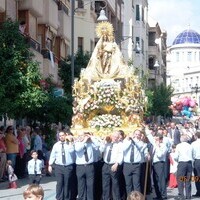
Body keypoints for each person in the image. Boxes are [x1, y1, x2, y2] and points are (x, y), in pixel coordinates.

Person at [48, 131, 76, 200]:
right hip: (59, 167)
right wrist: (50, 165)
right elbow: (52, 155)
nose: (61, 137)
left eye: (63, 135)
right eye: (60, 136)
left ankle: (67, 198)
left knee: (67, 184)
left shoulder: (70, 144)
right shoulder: (56, 145)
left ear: (65, 135)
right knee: (59, 183)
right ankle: (59, 198)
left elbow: (72, 151)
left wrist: (70, 142)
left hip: (68, 166)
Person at [75, 132, 100, 200]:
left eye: (82, 136)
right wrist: (84, 141)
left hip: (89, 166)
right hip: (80, 166)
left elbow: (98, 146)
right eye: (79, 136)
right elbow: (77, 149)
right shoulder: (77, 143)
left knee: (90, 185)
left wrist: (91, 138)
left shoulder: (90, 143)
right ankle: (81, 198)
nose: (80, 137)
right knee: (81, 186)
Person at [123, 129, 148, 195]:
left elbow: (141, 149)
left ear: (140, 136)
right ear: (133, 134)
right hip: (127, 165)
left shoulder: (142, 143)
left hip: (136, 165)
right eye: (136, 134)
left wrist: (134, 141)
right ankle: (130, 198)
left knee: (136, 184)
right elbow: (124, 148)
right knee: (128, 184)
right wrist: (129, 141)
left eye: (138, 135)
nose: (137, 136)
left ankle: (137, 198)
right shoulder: (127, 141)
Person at [100, 131, 123, 200]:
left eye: (116, 137)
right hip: (106, 165)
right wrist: (104, 141)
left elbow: (121, 155)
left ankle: (116, 198)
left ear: (119, 138)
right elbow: (101, 150)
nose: (115, 138)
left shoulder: (120, 144)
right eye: (114, 136)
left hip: (114, 165)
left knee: (115, 184)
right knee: (105, 184)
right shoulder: (107, 143)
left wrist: (117, 164)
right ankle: (106, 198)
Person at [174, 134, 193, 200]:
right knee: (188, 180)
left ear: (181, 140)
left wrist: (177, 160)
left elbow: (176, 156)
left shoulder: (179, 146)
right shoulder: (190, 146)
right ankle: (188, 196)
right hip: (189, 163)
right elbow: (192, 155)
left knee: (180, 180)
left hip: (182, 163)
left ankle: (181, 195)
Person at [191, 131, 200, 197]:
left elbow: (192, 154)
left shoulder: (193, 144)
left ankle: (199, 191)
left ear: (196, 136)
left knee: (197, 177)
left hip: (197, 161)